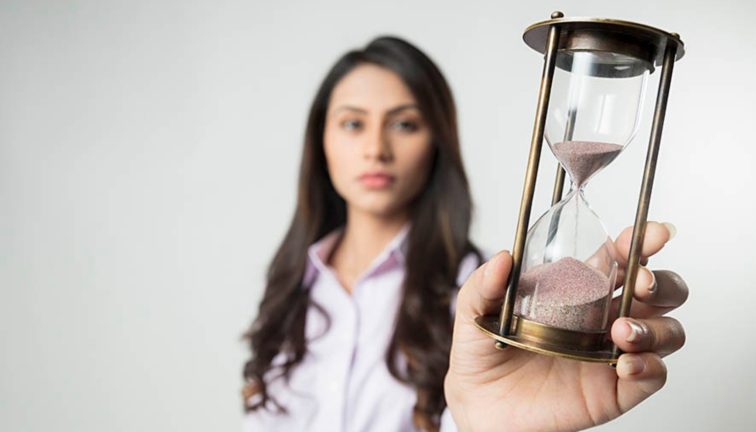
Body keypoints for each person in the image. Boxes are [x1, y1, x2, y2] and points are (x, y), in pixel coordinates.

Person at [241, 36, 688, 432]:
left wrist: (489, 426)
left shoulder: (486, 297)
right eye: (353, 123)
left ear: (438, 140)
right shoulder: (291, 282)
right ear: (320, 140)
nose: (376, 149)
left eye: (404, 124)